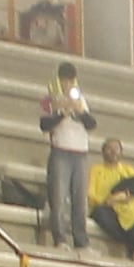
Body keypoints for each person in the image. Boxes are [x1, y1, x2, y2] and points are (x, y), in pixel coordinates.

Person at [34, 62, 97, 248]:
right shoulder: (49, 99)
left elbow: (91, 124)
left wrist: (78, 110)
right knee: (58, 197)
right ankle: (60, 238)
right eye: (65, 81)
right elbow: (44, 125)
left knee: (80, 200)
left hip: (80, 153)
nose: (68, 85)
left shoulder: (81, 99)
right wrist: (63, 112)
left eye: (71, 81)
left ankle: (81, 240)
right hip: (60, 151)